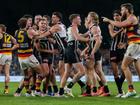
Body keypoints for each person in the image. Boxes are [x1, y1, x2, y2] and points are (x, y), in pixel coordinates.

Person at [103, 3, 140, 98]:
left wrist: (109, 20)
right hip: (135, 44)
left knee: (124, 66)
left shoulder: (131, 18)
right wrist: (124, 43)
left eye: (122, 9)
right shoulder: (131, 18)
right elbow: (131, 32)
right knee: (138, 69)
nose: (121, 11)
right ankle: (126, 90)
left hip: (134, 45)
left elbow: (120, 24)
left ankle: (131, 90)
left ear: (127, 10)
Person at [58, 14, 89, 97]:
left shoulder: (70, 28)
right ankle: (68, 87)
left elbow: (76, 36)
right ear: (74, 20)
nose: (80, 20)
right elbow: (77, 38)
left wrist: (86, 33)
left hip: (67, 50)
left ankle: (60, 92)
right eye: (79, 19)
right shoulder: (74, 27)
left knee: (67, 72)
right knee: (82, 72)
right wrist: (89, 39)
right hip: (72, 50)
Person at [108, 10, 126, 97]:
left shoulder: (125, 24)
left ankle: (120, 88)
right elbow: (112, 35)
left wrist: (125, 44)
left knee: (124, 70)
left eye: (117, 15)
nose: (115, 17)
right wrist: (121, 30)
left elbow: (129, 37)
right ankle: (120, 91)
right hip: (113, 50)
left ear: (121, 16)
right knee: (115, 72)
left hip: (122, 50)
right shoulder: (111, 25)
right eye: (114, 16)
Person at [0, 24, 18, 94]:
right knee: (7, 73)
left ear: (1, 29)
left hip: (2, 54)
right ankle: (6, 89)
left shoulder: (0, 34)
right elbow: (17, 44)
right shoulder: (9, 36)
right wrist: (10, 49)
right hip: (9, 55)